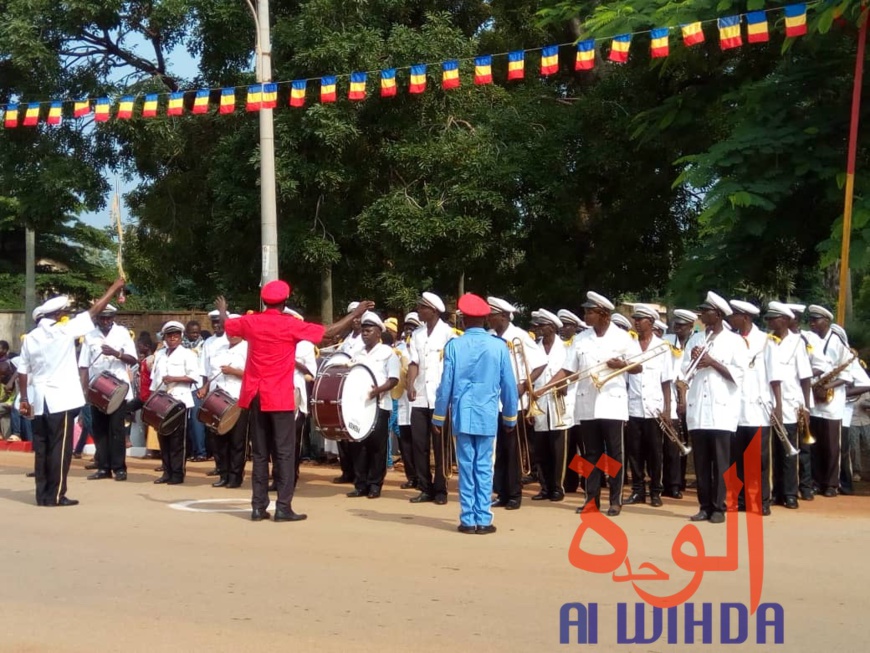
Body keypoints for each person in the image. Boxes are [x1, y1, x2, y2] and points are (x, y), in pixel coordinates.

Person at [218, 282, 372, 522]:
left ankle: (258, 507)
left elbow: (229, 326)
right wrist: (356, 313)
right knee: (285, 453)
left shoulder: (252, 322)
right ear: (285, 301)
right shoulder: (290, 324)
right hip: (279, 396)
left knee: (259, 453)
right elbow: (329, 333)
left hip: (255, 395)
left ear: (263, 300)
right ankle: (282, 507)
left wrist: (224, 310)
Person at [16, 278, 126, 507]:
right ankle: (56, 495)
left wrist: (24, 398)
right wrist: (114, 289)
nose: (65, 315)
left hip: (38, 401)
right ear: (56, 315)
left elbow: (22, 371)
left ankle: (42, 495)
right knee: (60, 449)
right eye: (63, 312)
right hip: (60, 400)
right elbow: (94, 311)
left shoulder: (31, 338)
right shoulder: (64, 331)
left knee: (42, 448)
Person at [542, 292, 642, 516]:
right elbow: (568, 369)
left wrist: (621, 365)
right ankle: (591, 499)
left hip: (612, 404)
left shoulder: (623, 338)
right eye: (585, 311)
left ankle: (615, 500)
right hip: (587, 404)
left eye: (590, 312)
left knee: (614, 456)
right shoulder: (581, 339)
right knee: (590, 455)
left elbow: (638, 367)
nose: (585, 315)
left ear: (604, 314)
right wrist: (546, 386)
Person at [433, 293, 518, 534]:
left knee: (465, 466)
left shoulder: (454, 345)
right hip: (487, 415)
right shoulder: (499, 346)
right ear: (486, 319)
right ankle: (484, 519)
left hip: (462, 413)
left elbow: (445, 384)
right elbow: (509, 386)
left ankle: (468, 519)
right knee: (483, 466)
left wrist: (439, 415)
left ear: (463, 320)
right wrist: (510, 417)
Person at [681, 291, 747, 524]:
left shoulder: (735, 341)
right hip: (698, 407)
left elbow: (739, 375)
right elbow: (683, 373)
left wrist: (712, 362)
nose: (702, 315)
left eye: (705, 311)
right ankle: (704, 505)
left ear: (717, 314)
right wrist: (694, 360)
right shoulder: (696, 339)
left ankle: (720, 507)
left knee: (720, 462)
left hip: (721, 410)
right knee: (701, 462)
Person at [488, 296, 546, 510]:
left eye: (491, 315)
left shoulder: (519, 336)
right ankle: (501, 492)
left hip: (515, 401)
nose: (488, 319)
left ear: (503, 316)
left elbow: (540, 363)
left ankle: (514, 495)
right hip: (494, 400)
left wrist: (524, 385)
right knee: (499, 450)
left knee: (512, 451)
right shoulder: (490, 336)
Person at [727, 299, 779, 515]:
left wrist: (779, 407)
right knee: (736, 458)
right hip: (734, 409)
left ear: (746, 317)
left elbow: (775, 379)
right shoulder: (731, 340)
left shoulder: (766, 342)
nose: (731, 319)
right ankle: (740, 500)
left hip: (759, 409)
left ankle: (762, 501)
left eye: (735, 315)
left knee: (759, 460)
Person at [405, 292, 457, 505]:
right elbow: (413, 362)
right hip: (420, 397)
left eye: (422, 308)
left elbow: (452, 367)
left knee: (440, 445)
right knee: (419, 444)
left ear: (433, 310)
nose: (419, 311)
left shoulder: (448, 334)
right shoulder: (417, 334)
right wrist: (409, 384)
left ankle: (441, 489)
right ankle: (425, 488)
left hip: (440, 398)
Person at [77, 304, 138, 481]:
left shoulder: (122, 333)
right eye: (102, 318)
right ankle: (103, 467)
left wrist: (116, 353)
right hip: (97, 389)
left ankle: (119, 468)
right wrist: (85, 389)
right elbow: (83, 365)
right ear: (97, 319)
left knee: (116, 429)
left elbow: (133, 359)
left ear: (113, 318)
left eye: (109, 318)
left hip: (118, 389)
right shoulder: (90, 335)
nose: (105, 321)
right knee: (100, 429)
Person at [345, 312, 399, 499]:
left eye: (369, 330)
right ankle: (360, 485)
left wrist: (377, 391)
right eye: (363, 331)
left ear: (378, 333)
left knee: (377, 447)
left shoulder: (388, 353)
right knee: (358, 446)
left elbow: (393, 379)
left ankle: (375, 485)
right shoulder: (356, 353)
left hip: (379, 405)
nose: (365, 334)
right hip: (359, 407)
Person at [624, 304, 673, 508]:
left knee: (655, 453)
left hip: (654, 408)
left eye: (640, 319)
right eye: (635, 318)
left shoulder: (662, 347)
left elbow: (666, 381)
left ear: (651, 323)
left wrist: (667, 409)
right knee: (635, 453)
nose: (636, 322)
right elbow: (625, 381)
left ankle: (655, 491)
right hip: (633, 407)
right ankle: (638, 491)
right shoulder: (629, 347)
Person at [764, 302, 812, 509]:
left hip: (791, 403)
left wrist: (807, 407)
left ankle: (790, 493)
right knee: (772, 451)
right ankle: (776, 492)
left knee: (790, 451)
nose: (770, 322)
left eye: (773, 318)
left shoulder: (797, 342)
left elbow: (805, 377)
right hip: (769, 403)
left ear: (784, 320)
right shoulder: (766, 342)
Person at [806, 304, 851, 497]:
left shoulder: (838, 341)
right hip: (815, 397)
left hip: (832, 400)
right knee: (815, 443)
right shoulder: (812, 340)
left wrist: (828, 387)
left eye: (816, 320)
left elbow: (847, 374)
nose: (812, 324)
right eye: (811, 320)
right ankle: (817, 480)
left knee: (833, 445)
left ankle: (832, 484)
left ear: (826, 321)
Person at [530, 309, 574, 502]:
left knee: (558, 450)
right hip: (539, 403)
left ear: (552, 327)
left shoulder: (566, 348)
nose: (539, 328)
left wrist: (566, 384)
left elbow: (573, 372)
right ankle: (545, 487)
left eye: (543, 325)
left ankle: (558, 487)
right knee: (540, 449)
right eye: (538, 325)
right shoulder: (533, 348)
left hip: (559, 402)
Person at [149, 321, 200, 485]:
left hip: (179, 399)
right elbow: (154, 380)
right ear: (164, 337)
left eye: (176, 336)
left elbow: (193, 377)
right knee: (163, 437)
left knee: (178, 439)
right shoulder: (160, 354)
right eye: (170, 336)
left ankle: (177, 473)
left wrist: (174, 378)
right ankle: (166, 471)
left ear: (181, 337)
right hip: (162, 401)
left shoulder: (188, 354)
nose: (173, 338)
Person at [201, 314, 248, 488]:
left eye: (235, 332)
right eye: (229, 331)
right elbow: (211, 373)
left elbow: (253, 375)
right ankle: (223, 474)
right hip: (217, 399)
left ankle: (235, 476)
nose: (232, 335)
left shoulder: (248, 348)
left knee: (236, 441)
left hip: (237, 399)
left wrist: (234, 371)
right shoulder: (219, 348)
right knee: (219, 439)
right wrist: (205, 387)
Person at [662, 309, 696, 498]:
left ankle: (680, 481)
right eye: (676, 325)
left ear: (691, 326)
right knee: (672, 444)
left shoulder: (697, 343)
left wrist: (684, 397)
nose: (678, 328)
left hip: (691, 398)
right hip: (673, 399)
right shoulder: (667, 342)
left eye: (682, 326)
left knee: (684, 442)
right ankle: (672, 483)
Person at [199, 310, 230, 477]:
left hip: (230, 391)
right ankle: (219, 465)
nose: (217, 325)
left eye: (220, 322)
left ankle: (230, 467)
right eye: (214, 323)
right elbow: (204, 369)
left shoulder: (233, 340)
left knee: (229, 431)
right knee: (214, 431)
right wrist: (204, 388)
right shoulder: (208, 342)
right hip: (213, 390)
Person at [183, 320, 208, 462]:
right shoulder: (181, 346)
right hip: (183, 387)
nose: (195, 335)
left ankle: (201, 452)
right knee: (185, 422)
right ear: (186, 333)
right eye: (192, 332)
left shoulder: (204, 346)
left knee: (196, 420)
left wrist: (204, 387)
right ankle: (189, 451)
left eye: (197, 332)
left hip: (197, 387)